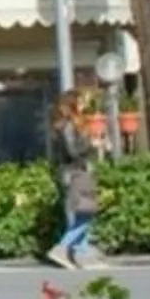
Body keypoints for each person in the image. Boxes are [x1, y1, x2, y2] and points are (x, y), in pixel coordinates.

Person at [44, 90, 104, 270]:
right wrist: (90, 144)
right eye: (80, 102)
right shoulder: (69, 126)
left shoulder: (61, 125)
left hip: (69, 173)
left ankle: (82, 252)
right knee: (84, 213)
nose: (83, 105)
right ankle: (63, 248)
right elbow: (73, 151)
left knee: (81, 212)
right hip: (76, 172)